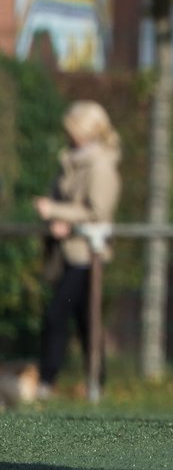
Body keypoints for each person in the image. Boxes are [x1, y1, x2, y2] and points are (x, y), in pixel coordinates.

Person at [34, 101, 122, 399]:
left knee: (60, 316)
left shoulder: (101, 167)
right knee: (85, 323)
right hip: (70, 253)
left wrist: (59, 214)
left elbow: (98, 211)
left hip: (87, 256)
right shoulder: (71, 160)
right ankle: (93, 383)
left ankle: (49, 381)